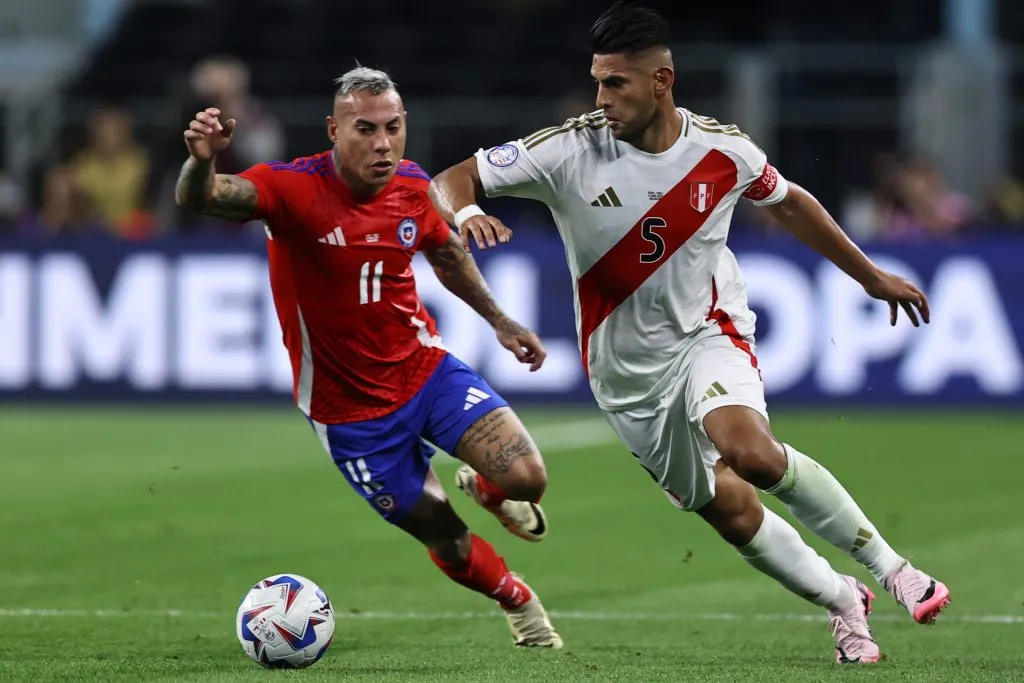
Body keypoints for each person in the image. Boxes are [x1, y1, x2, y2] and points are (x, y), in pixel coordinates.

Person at [428, 2, 949, 664]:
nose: (601, 98)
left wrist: (870, 276)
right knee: (726, 508)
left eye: (616, 83)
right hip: (624, 374)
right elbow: (453, 177)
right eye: (597, 81)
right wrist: (468, 209)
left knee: (752, 453)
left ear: (661, 82)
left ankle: (894, 567)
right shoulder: (569, 150)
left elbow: (787, 201)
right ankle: (842, 600)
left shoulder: (721, 150)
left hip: (709, 332)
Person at [174, 66, 562, 649]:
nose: (383, 143)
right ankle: (517, 599)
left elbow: (447, 254)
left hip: (423, 370)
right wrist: (203, 159)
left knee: (527, 478)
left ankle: (489, 491)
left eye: (393, 128)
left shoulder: (411, 184)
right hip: (350, 413)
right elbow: (201, 197)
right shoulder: (290, 189)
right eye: (366, 129)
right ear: (334, 130)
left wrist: (501, 321)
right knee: (445, 536)